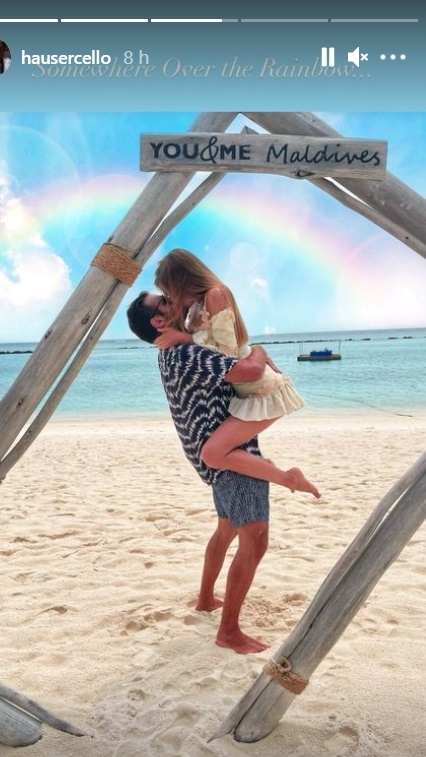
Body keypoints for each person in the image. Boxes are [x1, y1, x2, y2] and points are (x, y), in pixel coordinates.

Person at [127, 290, 273, 654]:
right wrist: (259, 350)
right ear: (158, 320)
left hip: (212, 455)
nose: (173, 298)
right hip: (231, 457)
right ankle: (229, 632)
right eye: (165, 299)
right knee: (254, 539)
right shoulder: (184, 353)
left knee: (226, 530)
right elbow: (251, 370)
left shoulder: (171, 352)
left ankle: (206, 598)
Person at [154, 248, 320, 498]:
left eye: (171, 292)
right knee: (217, 453)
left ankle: (290, 478)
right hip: (245, 393)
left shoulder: (215, 294)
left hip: (263, 391)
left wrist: (183, 338)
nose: (172, 299)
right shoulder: (197, 305)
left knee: (212, 454)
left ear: (184, 281)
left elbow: (227, 353)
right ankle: (268, 469)